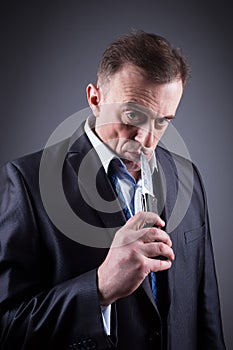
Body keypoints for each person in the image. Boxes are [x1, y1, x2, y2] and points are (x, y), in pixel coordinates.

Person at [0, 31, 226, 350]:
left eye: (163, 121)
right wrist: (100, 287)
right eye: (134, 115)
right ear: (95, 99)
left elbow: (207, 318)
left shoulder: (188, 177)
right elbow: (8, 330)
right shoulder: (26, 182)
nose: (147, 140)